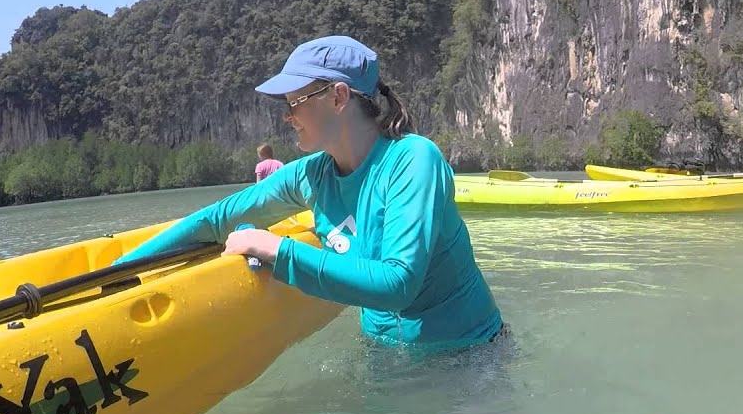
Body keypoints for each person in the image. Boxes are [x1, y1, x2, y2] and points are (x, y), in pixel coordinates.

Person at [115, 35, 505, 352]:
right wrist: (118, 276)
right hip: (383, 352)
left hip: (468, 351)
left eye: (294, 102)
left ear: (338, 97)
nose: (287, 116)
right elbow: (216, 221)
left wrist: (274, 249)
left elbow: (397, 284)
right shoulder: (310, 175)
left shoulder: (413, 159)